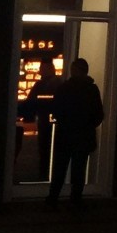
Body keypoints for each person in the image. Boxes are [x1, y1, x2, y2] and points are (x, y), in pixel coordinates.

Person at [46, 58, 104, 206]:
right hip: (83, 136)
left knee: (60, 170)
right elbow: (99, 114)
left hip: (65, 136)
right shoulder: (92, 89)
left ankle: (52, 200)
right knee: (79, 171)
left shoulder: (64, 88)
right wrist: (88, 125)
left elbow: (56, 109)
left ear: (73, 70)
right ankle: (75, 201)